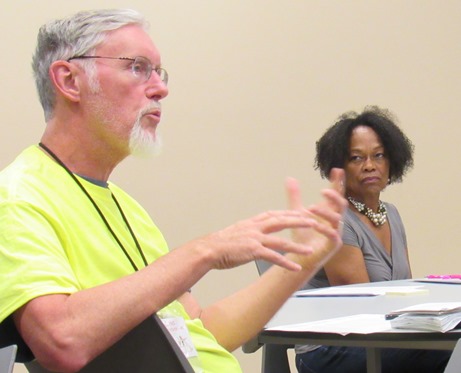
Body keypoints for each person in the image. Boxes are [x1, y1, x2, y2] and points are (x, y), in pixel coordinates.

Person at [0, 9, 347, 373]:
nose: (160, 88)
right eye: (136, 67)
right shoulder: (17, 197)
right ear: (70, 81)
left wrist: (302, 263)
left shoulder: (126, 206)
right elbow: (62, 340)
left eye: (158, 72)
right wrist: (205, 251)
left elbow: (198, 333)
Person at [295, 106, 451, 373]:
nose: (370, 165)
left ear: (392, 161)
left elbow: (405, 291)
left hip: (383, 338)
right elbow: (362, 308)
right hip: (331, 347)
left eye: (378, 156)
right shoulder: (338, 221)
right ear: (339, 168)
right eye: (357, 158)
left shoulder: (391, 214)